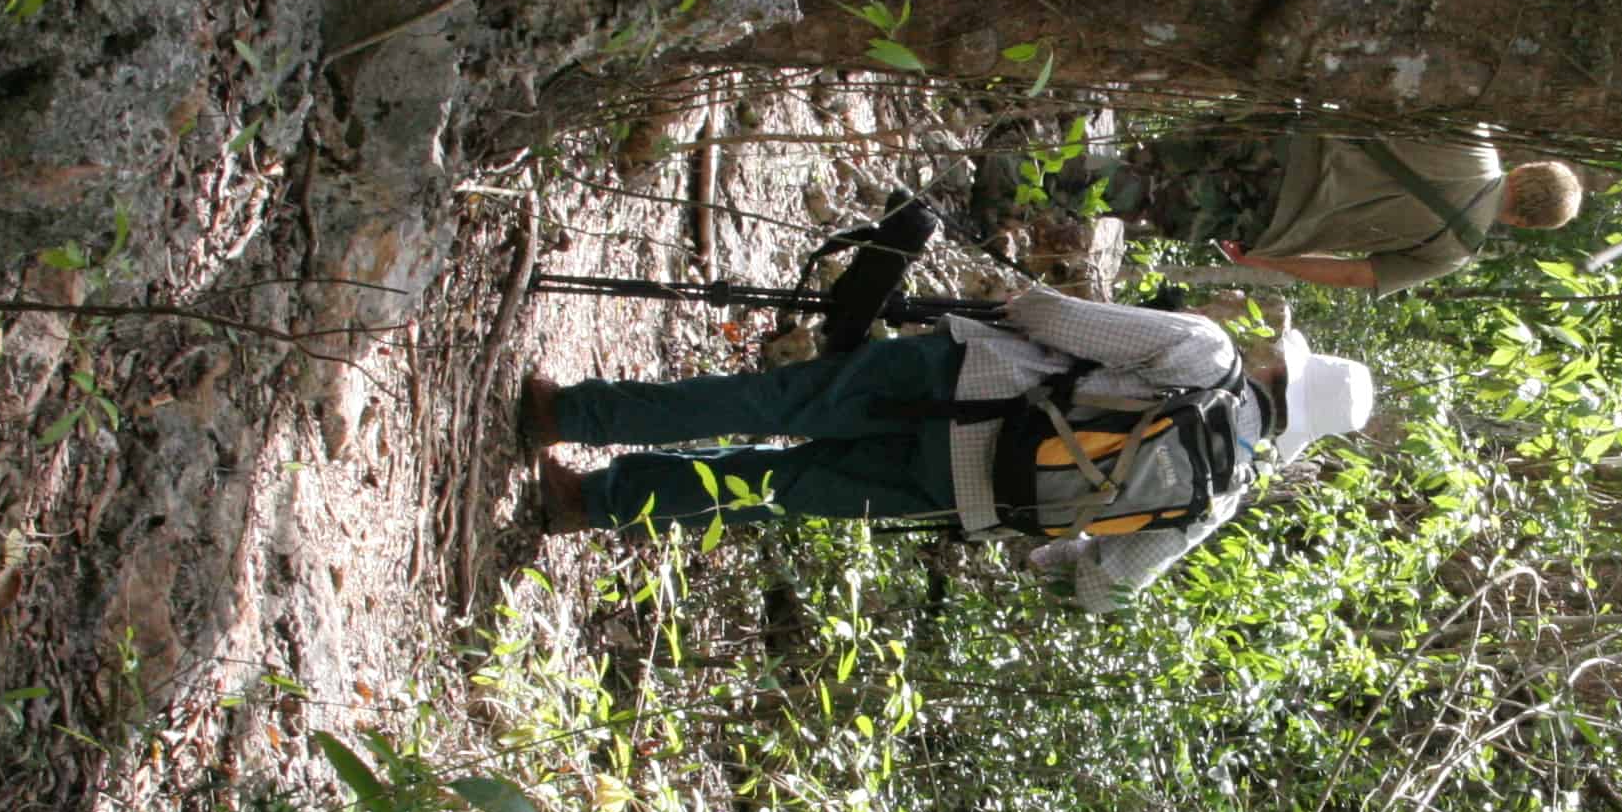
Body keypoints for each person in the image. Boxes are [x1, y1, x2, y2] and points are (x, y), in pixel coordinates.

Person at [518, 288, 1374, 612]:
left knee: (773, 401)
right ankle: (584, 504)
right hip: (962, 495)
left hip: (957, 383)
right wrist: (1051, 521)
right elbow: (1104, 581)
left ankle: (573, 416)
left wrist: (1008, 306)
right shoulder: (1221, 496)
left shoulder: (1204, 354)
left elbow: (1051, 319)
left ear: (1275, 368)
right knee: (767, 486)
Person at [1005, 121, 1583, 294]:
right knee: (1144, 199)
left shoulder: (1472, 137)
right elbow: (1357, 272)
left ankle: (1017, 159)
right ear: (1524, 223)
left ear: (1528, 167)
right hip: (1272, 218)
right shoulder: (1456, 251)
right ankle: (1010, 182)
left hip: (1282, 137)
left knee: (1148, 161)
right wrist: (1266, 263)